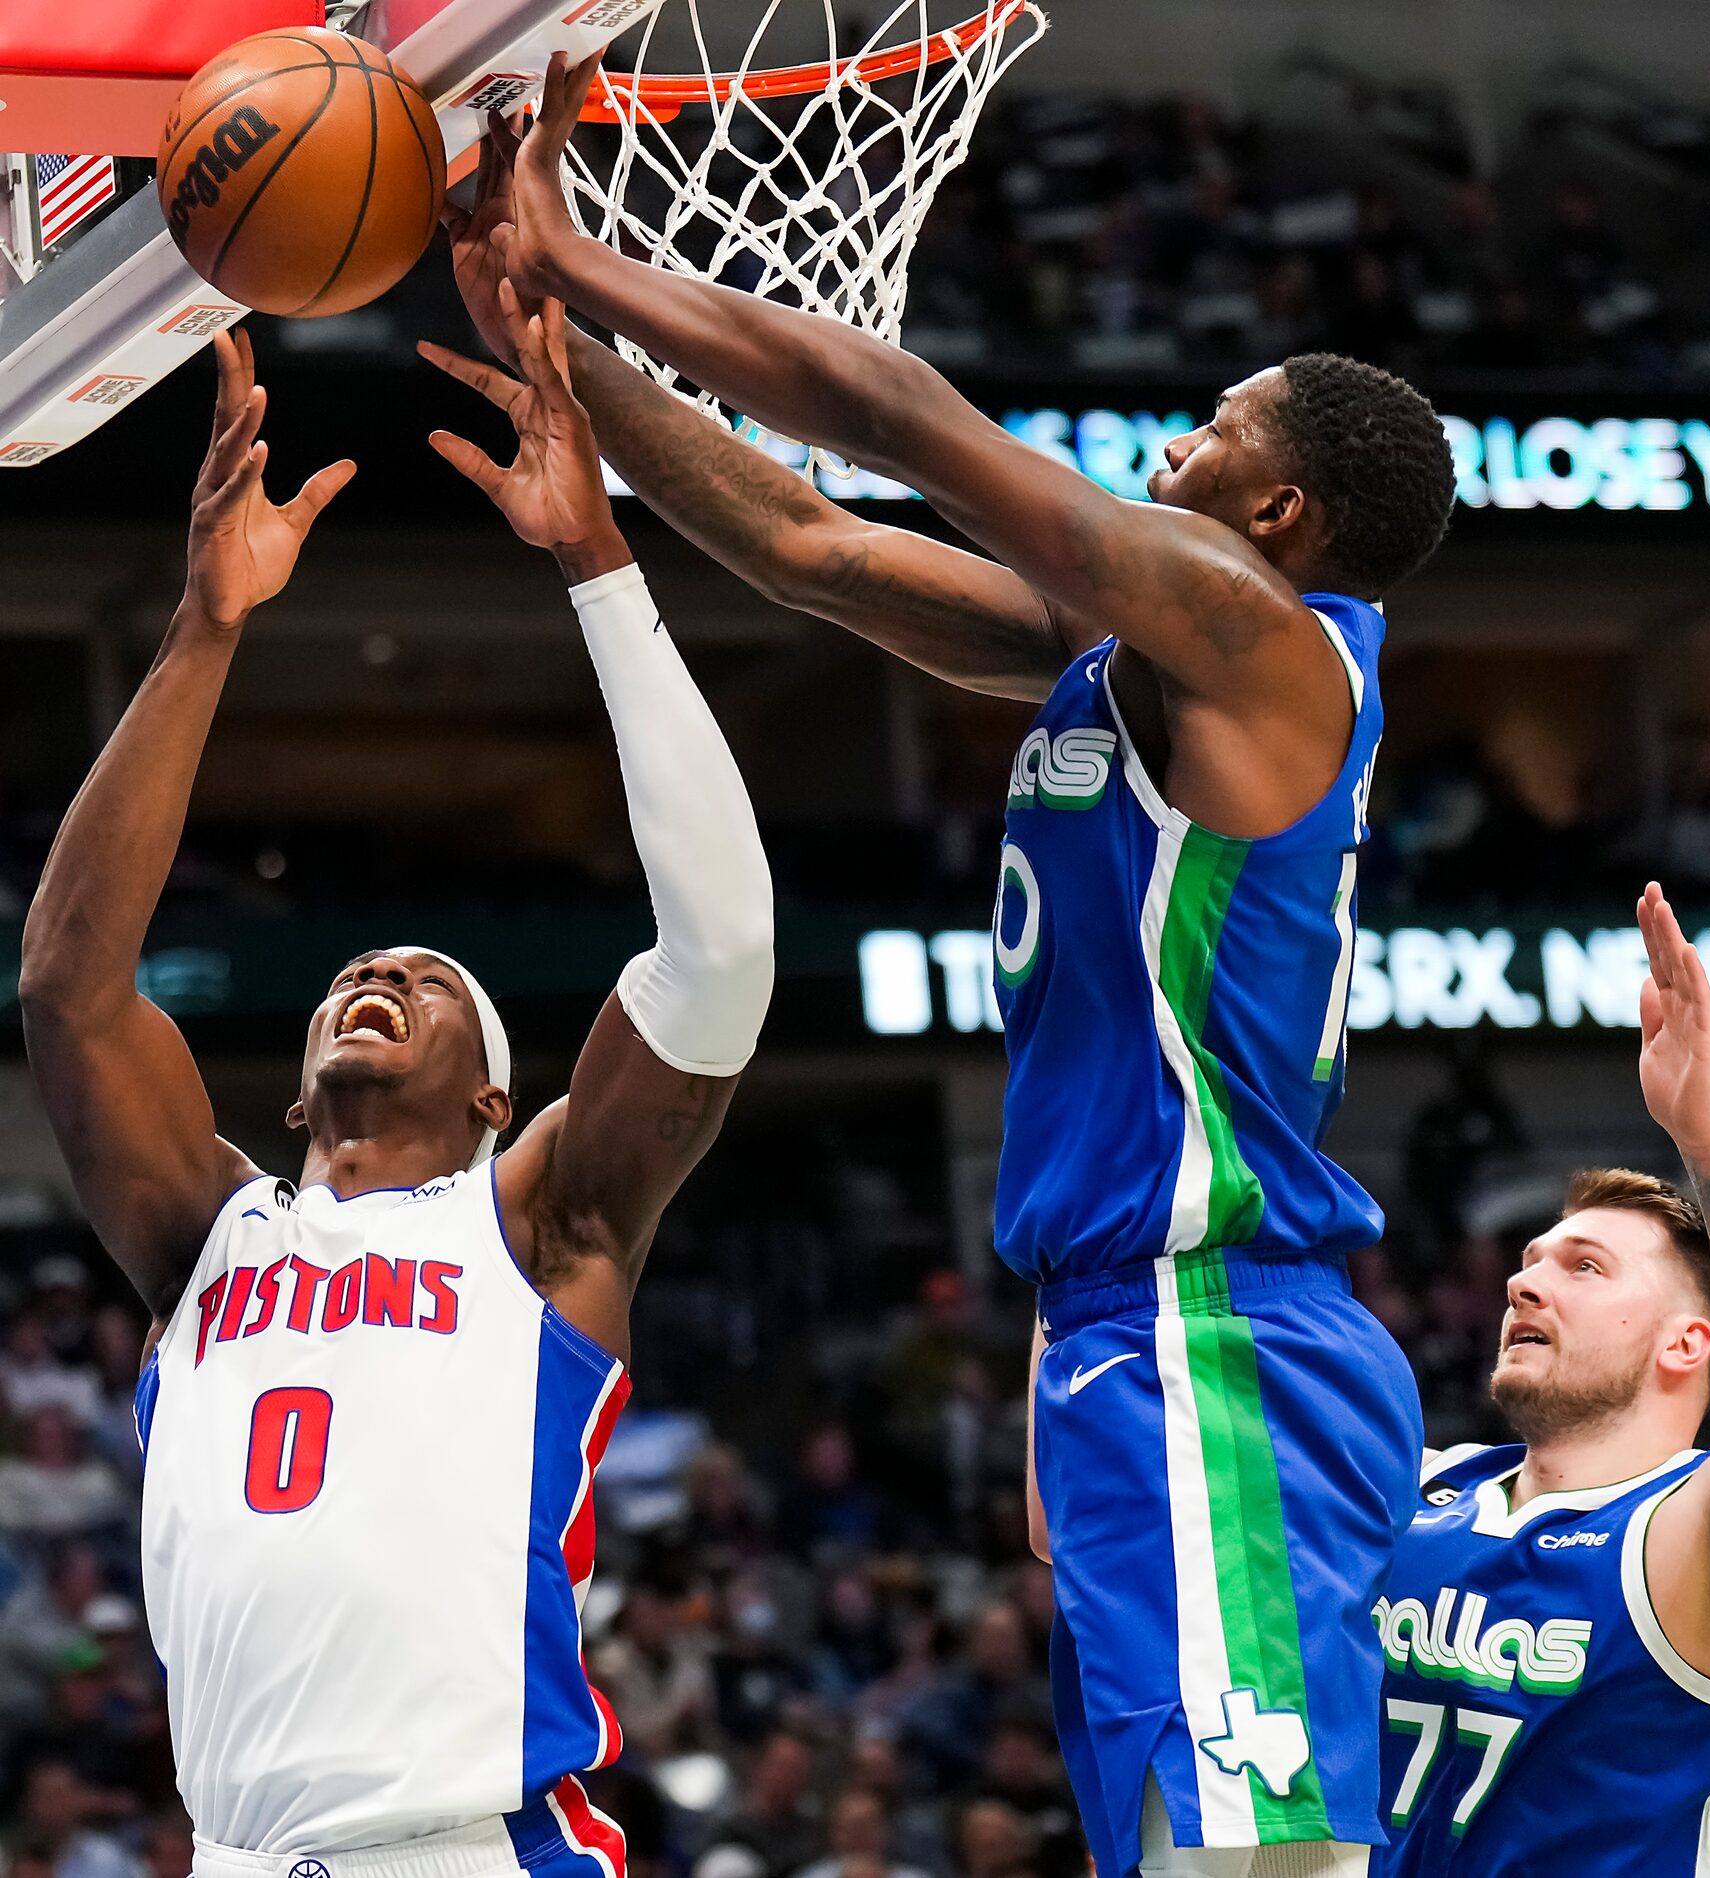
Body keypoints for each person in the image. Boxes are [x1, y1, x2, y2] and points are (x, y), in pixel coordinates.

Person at [434, 59, 1457, 1878]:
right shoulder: (1126, 658)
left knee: (1252, 1854)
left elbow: (903, 422)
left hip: (1217, 1334)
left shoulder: (1263, 642)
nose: (1172, 450)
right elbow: (807, 542)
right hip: (1124, 1339)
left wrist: (578, 261)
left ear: (1285, 510)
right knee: (1187, 1843)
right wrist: (551, 351)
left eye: (1215, 431)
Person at [18, 318, 774, 1874]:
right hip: (230, 1852)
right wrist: (205, 628)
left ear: (499, 1091)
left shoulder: (538, 1218)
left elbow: (722, 952)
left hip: (472, 1845)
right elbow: (66, 990)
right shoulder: (207, 1237)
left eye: (428, 978)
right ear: (294, 1097)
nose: (381, 972)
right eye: (359, 971)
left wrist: (597, 566)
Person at [1374, 882, 1710, 1874]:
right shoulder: (1420, 1485)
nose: (1527, 1279)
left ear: (1686, 1343)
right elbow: (1085, 1531)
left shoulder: (1703, 1537)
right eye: (1531, 1258)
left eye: (1585, 1266)